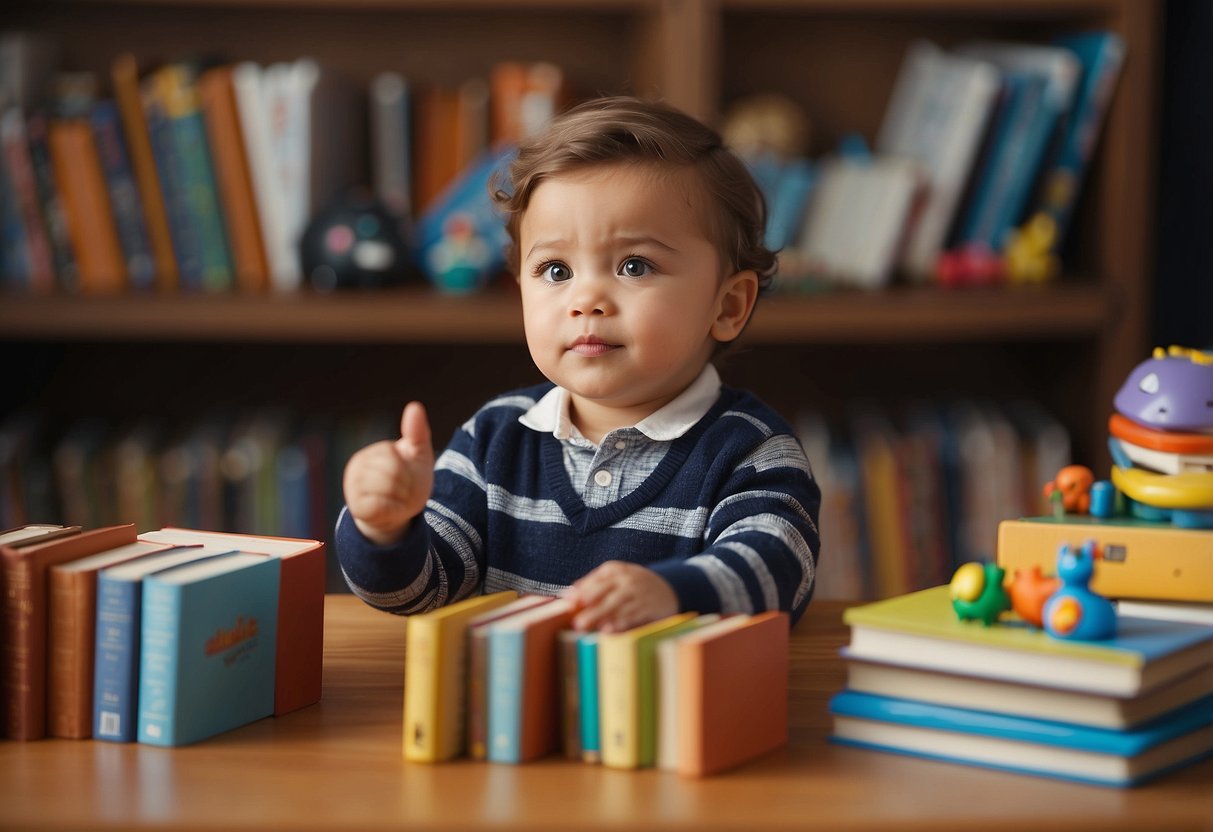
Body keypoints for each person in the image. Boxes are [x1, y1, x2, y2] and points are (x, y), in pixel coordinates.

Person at [336, 95, 820, 632]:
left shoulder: (749, 452)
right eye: (556, 270)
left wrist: (671, 592)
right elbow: (418, 591)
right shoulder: (494, 440)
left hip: (661, 712)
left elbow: (779, 574)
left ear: (727, 306)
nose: (586, 298)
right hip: (511, 712)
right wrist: (383, 528)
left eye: (635, 265)